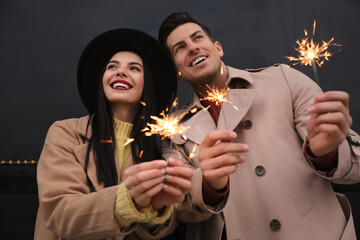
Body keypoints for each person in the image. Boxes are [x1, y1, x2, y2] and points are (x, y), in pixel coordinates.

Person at [157, 12, 360, 240]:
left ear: (218, 48)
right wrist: (209, 185)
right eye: (180, 48)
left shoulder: (283, 79)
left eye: (197, 38)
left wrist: (326, 153)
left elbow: (356, 168)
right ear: (177, 71)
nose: (192, 48)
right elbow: (180, 209)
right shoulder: (172, 129)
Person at [34, 28, 193, 240]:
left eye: (134, 68)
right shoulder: (65, 133)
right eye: (112, 67)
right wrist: (129, 201)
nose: (121, 72)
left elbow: (172, 221)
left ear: (148, 84)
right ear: (103, 79)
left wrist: (156, 209)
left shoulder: (160, 146)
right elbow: (59, 213)